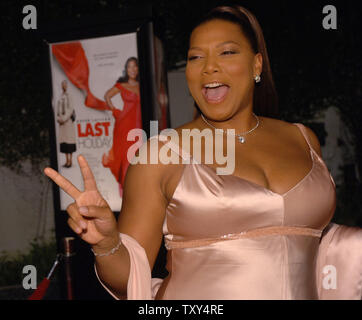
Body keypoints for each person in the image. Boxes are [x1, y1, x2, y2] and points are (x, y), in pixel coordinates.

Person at [45, 5, 338, 299]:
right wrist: (107, 244)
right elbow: (129, 282)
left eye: (227, 52)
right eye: (196, 57)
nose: (209, 66)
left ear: (257, 64)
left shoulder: (304, 140)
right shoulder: (159, 156)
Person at [102, 57, 142, 197]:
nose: (132, 69)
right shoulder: (122, 85)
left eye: (135, 66)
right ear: (126, 69)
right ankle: (126, 190)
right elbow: (107, 96)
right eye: (130, 67)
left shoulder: (142, 85)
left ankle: (138, 188)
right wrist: (115, 111)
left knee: (140, 155)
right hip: (124, 124)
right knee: (126, 156)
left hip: (140, 124)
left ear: (138, 68)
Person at [56, 80, 76, 168]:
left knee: (69, 142)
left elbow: (70, 109)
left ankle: (70, 161)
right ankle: (66, 161)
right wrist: (59, 119)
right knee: (64, 142)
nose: (63, 86)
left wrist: (64, 119)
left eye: (65, 85)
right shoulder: (61, 97)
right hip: (62, 123)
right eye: (62, 85)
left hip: (67, 122)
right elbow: (57, 109)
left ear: (67, 86)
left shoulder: (70, 96)